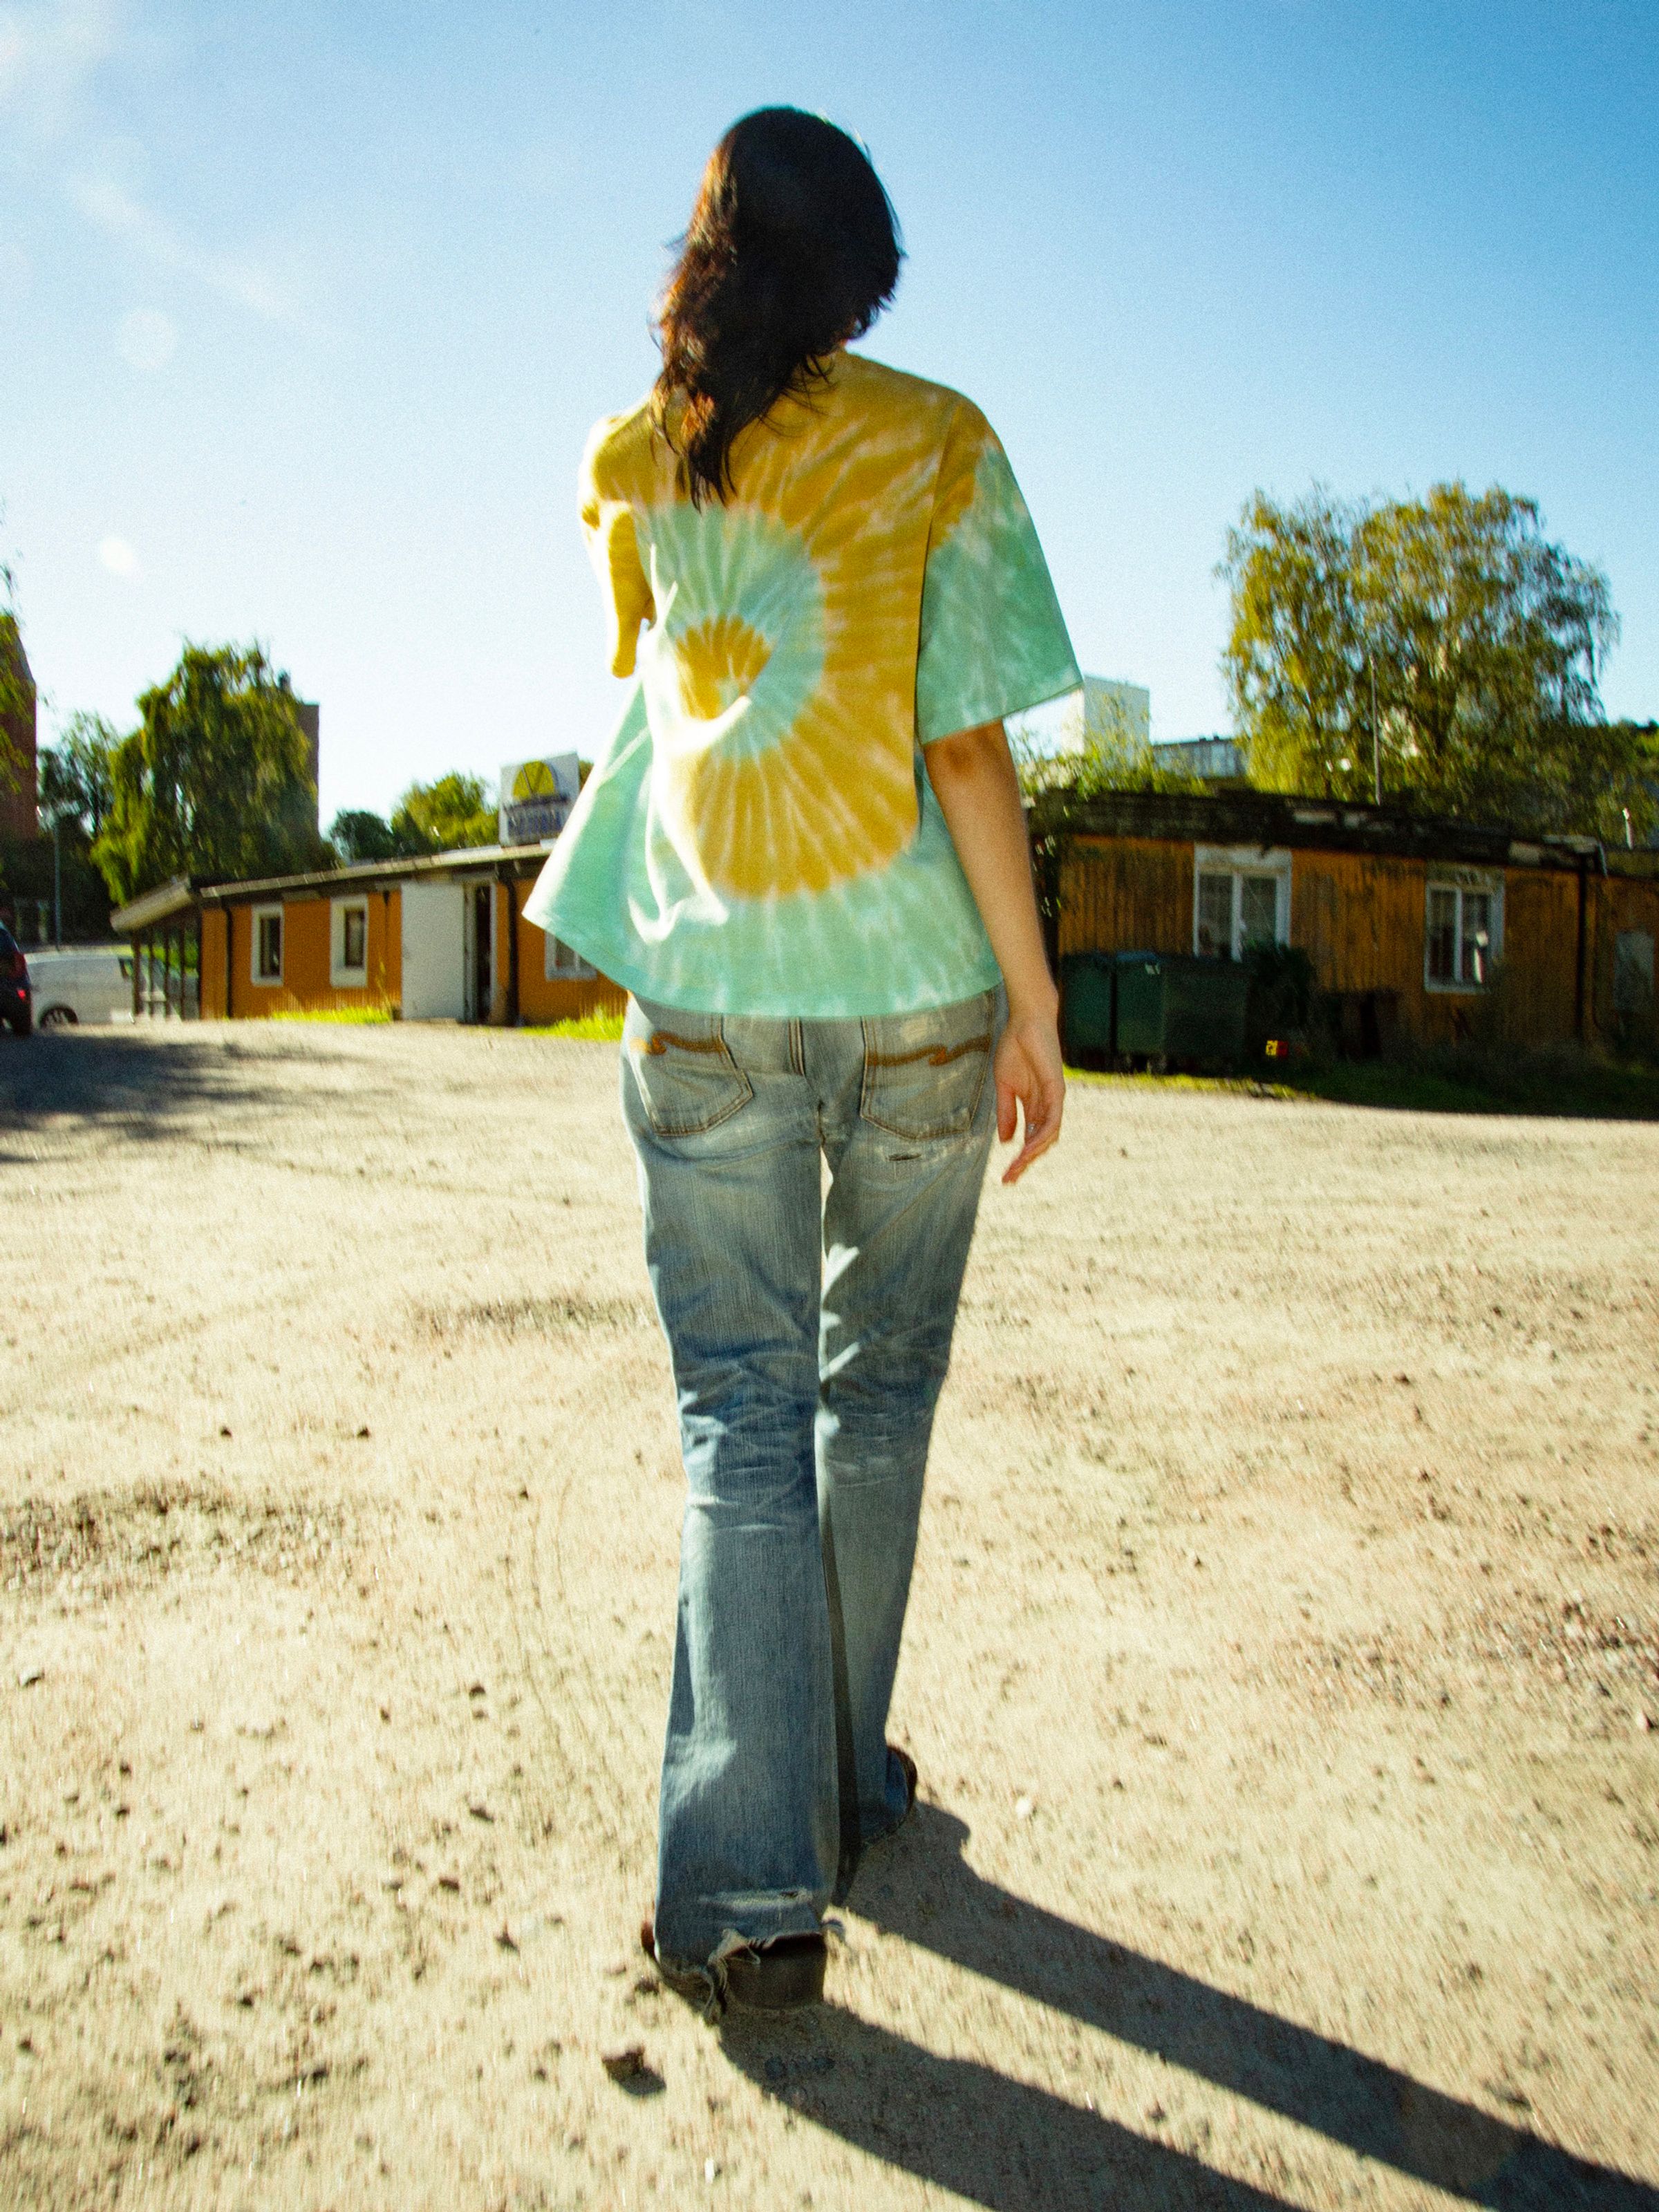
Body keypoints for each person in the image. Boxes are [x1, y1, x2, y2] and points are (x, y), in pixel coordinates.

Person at [525, 106, 1079, 2016]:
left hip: (709, 990)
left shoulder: (636, 453)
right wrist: (1035, 1001)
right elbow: (965, 744)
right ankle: (829, 1791)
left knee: (742, 1417)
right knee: (879, 1397)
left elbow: (659, 671)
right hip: (919, 990)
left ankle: (752, 1889)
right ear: (855, 280)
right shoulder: (943, 439)